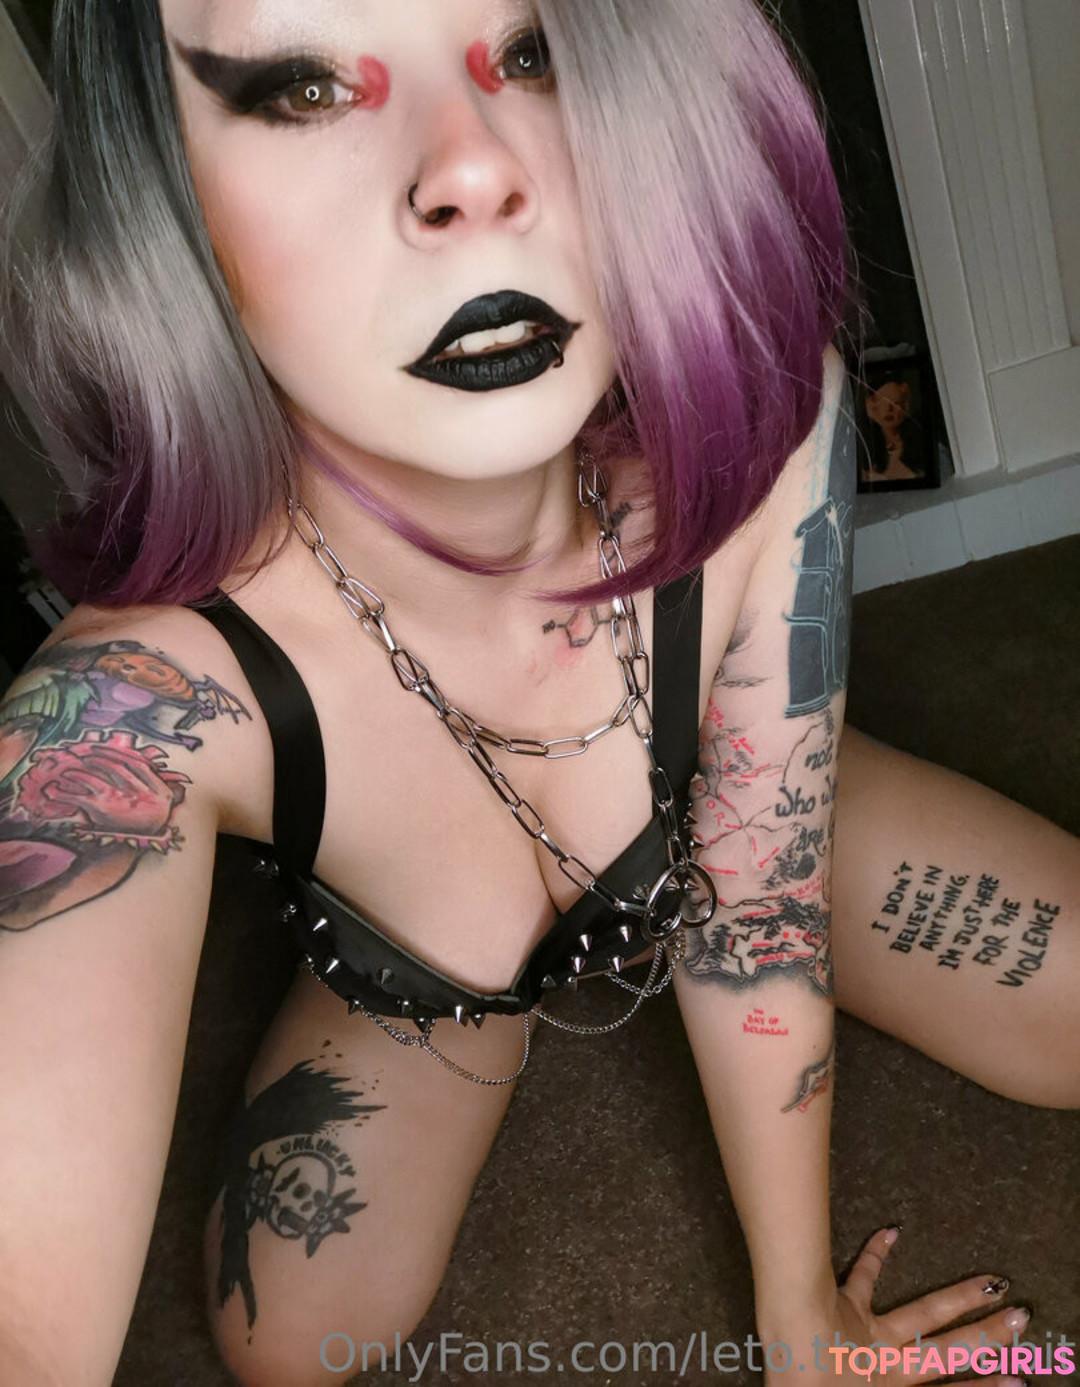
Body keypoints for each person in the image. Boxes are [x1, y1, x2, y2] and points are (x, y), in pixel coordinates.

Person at [0, 1, 1076, 1384]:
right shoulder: (133, 702)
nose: (473, 169)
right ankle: (485, 980)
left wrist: (799, 1316)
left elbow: (756, 905)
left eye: (531, 52)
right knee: (289, 1337)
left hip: (718, 810)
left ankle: (721, 785)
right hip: (422, 969)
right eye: (304, 88)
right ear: (159, 197)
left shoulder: (770, 421)